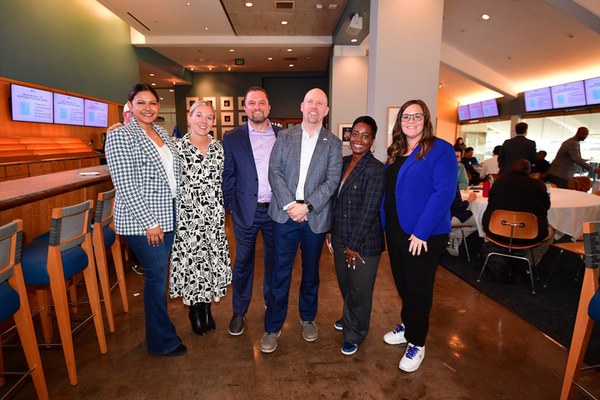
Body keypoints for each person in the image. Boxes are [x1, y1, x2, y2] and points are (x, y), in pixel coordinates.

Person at [105, 83, 186, 357]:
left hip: (169, 216)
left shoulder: (161, 132)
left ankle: (160, 333)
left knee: (159, 277)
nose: (148, 108)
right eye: (141, 103)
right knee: (155, 277)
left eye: (152, 103)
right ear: (130, 106)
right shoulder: (120, 137)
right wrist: (150, 222)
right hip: (145, 224)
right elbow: (126, 186)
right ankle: (161, 342)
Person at [260, 88, 342, 354]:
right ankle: (272, 327)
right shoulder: (284, 136)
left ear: (326, 110)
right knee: (279, 274)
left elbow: (331, 181)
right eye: (310, 102)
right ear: (301, 106)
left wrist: (307, 206)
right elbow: (275, 172)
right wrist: (290, 205)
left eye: (320, 103)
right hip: (284, 217)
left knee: (310, 274)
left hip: (314, 219)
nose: (314, 106)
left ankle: (307, 318)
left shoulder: (333, 143)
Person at [381, 99, 456, 372]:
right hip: (396, 230)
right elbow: (391, 191)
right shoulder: (397, 151)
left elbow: (443, 194)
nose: (410, 121)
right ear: (399, 122)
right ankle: (408, 325)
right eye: (405, 117)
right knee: (403, 284)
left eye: (416, 116)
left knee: (418, 288)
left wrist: (421, 232)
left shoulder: (441, 150)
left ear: (426, 119)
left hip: (423, 234)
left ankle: (417, 342)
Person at [169, 100, 232, 336]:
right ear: (189, 118)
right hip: (188, 218)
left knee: (210, 263)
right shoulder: (177, 149)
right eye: (199, 116)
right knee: (193, 264)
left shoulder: (219, 148)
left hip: (214, 217)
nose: (203, 121)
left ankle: (207, 309)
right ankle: (194, 312)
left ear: (214, 121)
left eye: (208, 117)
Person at [222, 86, 281, 336]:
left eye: (262, 102)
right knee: (243, 262)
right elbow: (228, 176)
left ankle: (271, 304)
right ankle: (239, 311)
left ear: (268, 107)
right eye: (252, 103)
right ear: (245, 107)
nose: (257, 107)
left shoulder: (283, 136)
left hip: (276, 212)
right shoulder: (232, 138)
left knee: (274, 261)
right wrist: (231, 207)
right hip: (245, 211)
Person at [325, 116, 385, 356]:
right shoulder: (342, 162)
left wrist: (354, 244)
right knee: (345, 282)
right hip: (339, 235)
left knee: (360, 288)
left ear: (372, 140)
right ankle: (350, 316)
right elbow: (334, 200)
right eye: (355, 134)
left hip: (363, 242)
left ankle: (355, 332)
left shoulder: (376, 169)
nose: (359, 139)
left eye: (365, 135)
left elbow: (370, 210)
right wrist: (330, 230)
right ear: (349, 136)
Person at [482, 159, 553, 264]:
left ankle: (501, 256)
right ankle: (529, 263)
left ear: (511, 169)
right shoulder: (538, 185)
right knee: (551, 231)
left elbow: (491, 201)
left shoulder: (499, 182)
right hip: (530, 234)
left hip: (496, 231)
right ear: (529, 170)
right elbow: (545, 207)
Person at [446, 190, 477, 256]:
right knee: (480, 220)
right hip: (448, 217)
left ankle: (451, 233)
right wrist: (469, 200)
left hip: (434, 217)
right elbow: (459, 207)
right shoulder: (451, 182)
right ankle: (454, 234)